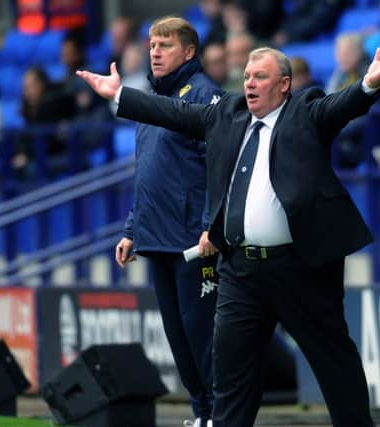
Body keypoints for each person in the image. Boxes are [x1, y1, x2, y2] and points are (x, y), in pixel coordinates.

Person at [77, 44, 380, 427]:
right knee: (232, 377)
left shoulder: (304, 111)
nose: (250, 84)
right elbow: (173, 112)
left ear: (284, 85)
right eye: (248, 77)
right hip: (240, 272)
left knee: (333, 363)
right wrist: (119, 95)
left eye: (260, 77)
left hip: (300, 269)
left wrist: (367, 84)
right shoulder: (228, 113)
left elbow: (340, 107)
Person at [112, 17, 222, 427]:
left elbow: (219, 167)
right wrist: (130, 230)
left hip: (194, 241)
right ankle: (202, 414)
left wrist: (212, 223)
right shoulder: (148, 100)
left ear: (189, 52)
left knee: (203, 338)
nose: (155, 52)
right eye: (152, 45)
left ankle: (219, 414)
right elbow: (148, 174)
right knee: (179, 340)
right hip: (155, 238)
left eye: (165, 45)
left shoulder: (207, 97)